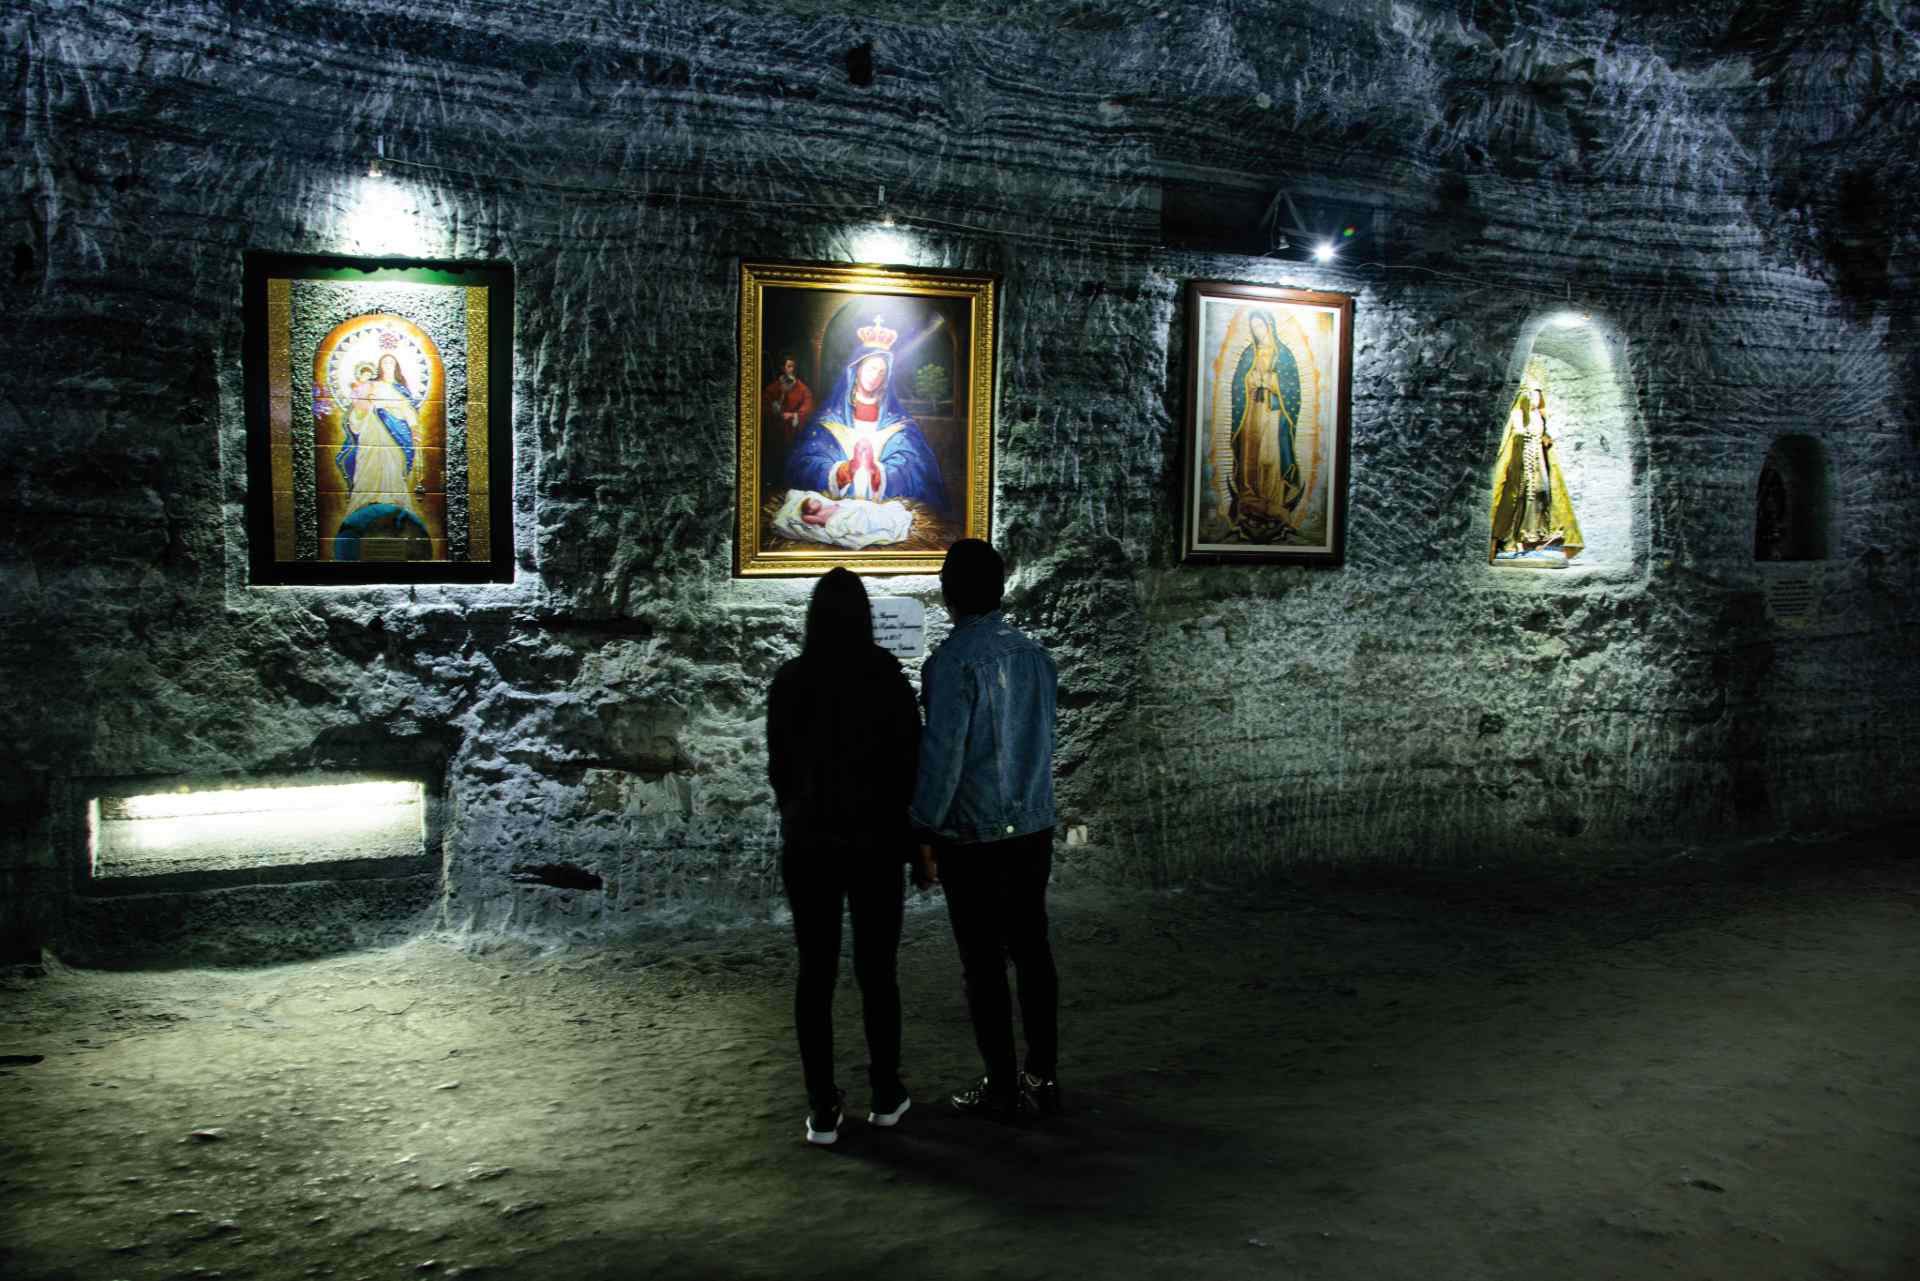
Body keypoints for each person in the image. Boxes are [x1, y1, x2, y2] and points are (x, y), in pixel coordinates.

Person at [766, 568, 922, 1146]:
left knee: (816, 973)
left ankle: (822, 1107)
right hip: (876, 842)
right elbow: (910, 761)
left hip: (810, 844)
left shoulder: (790, 681)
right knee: (878, 972)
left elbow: (779, 769)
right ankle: (885, 1092)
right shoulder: (886, 678)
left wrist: (802, 813)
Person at [910, 539, 1061, 1122]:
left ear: (950, 593)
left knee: (983, 963)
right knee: (1033, 951)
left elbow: (944, 759)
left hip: (973, 837)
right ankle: (1043, 1078)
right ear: (998, 590)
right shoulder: (1036, 657)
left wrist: (922, 828)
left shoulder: (951, 663)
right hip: (1032, 828)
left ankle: (1001, 1082)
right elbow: (1042, 745)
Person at [785, 318, 946, 510]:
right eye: (871, 368)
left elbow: (915, 465)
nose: (875, 376)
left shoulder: (898, 422)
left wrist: (881, 473)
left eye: (881, 372)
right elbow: (806, 460)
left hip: (882, 505)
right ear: (857, 369)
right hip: (834, 502)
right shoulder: (829, 418)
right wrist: (839, 471)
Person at [1489, 386, 1584, 565]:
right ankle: (1509, 540)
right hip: (1519, 465)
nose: (1535, 400)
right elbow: (1511, 439)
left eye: (1538, 396)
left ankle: (1533, 540)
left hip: (1538, 464)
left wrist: (1547, 438)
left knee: (1541, 498)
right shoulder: (1517, 415)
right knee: (1516, 501)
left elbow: (1546, 436)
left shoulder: (1540, 417)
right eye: (1532, 396)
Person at [1231, 310, 1304, 531]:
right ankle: (1250, 499)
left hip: (1273, 413)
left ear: (1270, 326)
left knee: (1270, 457)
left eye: (1260, 327)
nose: (1257, 332)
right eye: (1254, 328)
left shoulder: (1283, 355)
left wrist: (1271, 380)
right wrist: (1250, 380)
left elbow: (1293, 389)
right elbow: (1237, 384)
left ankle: (1272, 501)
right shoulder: (1247, 354)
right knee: (1250, 456)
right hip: (1251, 411)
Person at [764, 354, 813, 448]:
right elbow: (765, 406)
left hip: (794, 431)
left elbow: (807, 405)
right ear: (782, 368)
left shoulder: (802, 388)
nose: (792, 370)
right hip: (777, 432)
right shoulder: (773, 387)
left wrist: (793, 415)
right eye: (789, 366)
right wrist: (781, 395)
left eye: (793, 366)